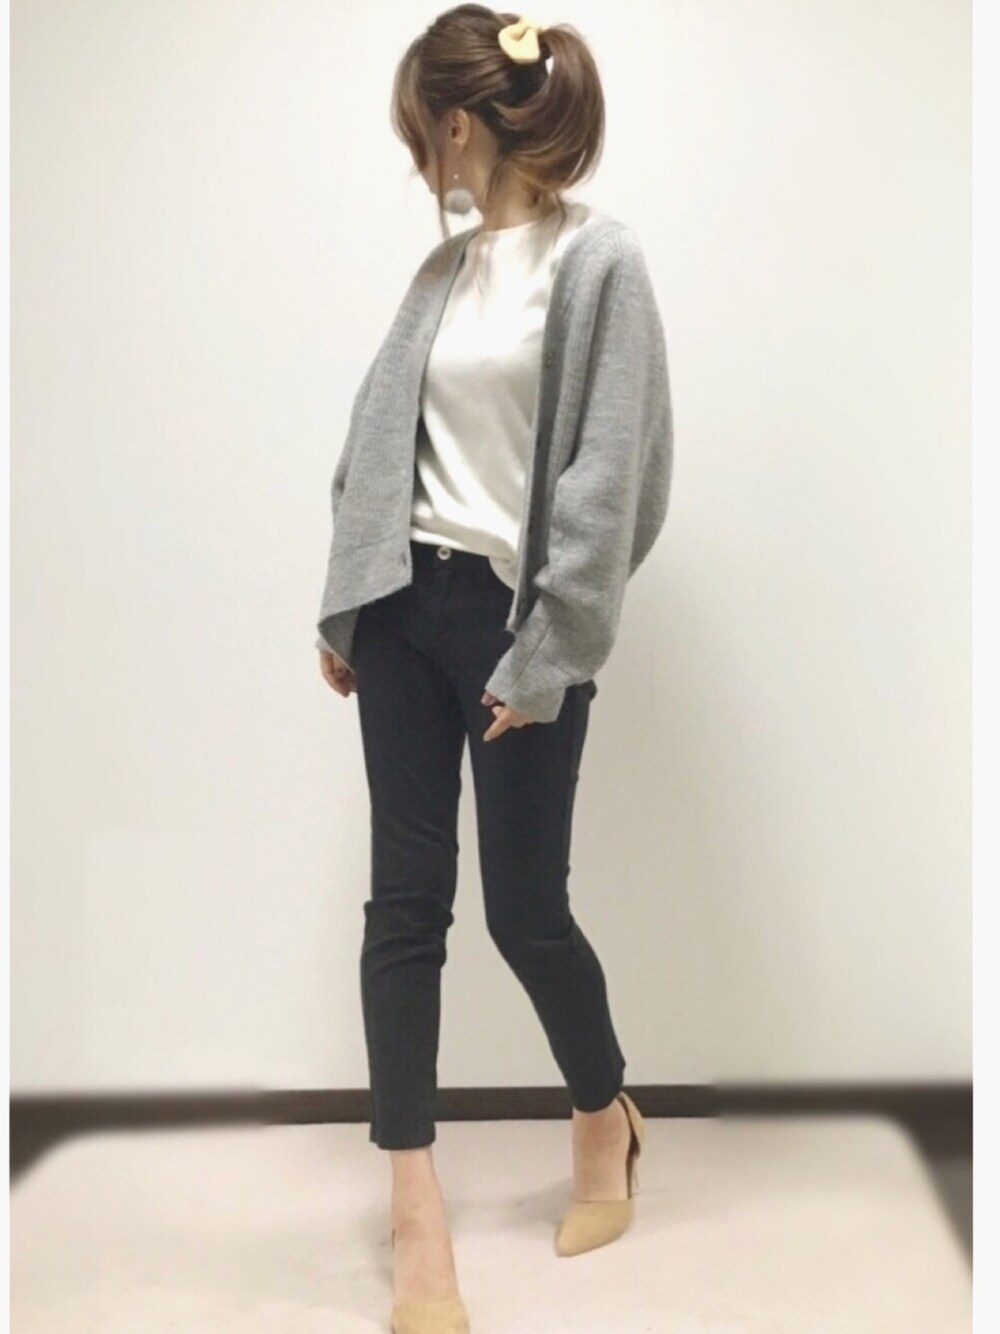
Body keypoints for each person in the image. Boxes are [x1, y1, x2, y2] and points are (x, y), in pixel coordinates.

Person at [316, 8, 671, 1332]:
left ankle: (602, 1113)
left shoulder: (601, 264)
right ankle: (416, 1211)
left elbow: (614, 476)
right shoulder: (442, 271)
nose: (417, 154)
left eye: (420, 129)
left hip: (516, 627)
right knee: (404, 911)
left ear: (456, 123)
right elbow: (376, 436)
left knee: (527, 912)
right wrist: (349, 602)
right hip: (401, 609)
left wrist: (551, 647)